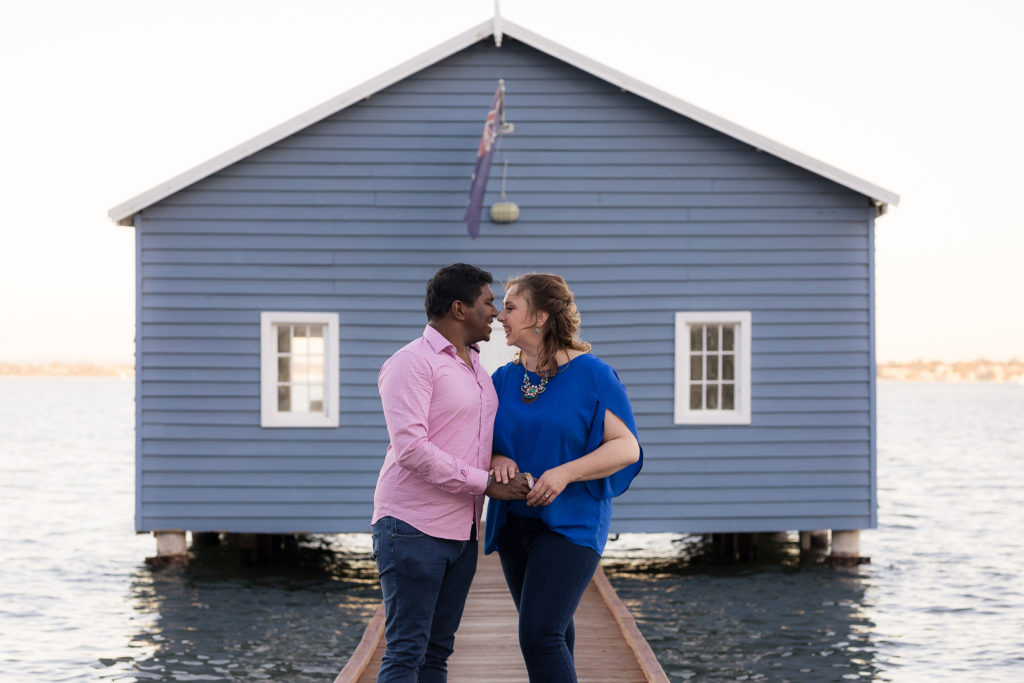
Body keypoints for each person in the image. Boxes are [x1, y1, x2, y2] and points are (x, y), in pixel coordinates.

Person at [371, 263, 532, 683]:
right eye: (488, 302)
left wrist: (496, 458)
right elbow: (411, 450)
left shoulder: (476, 368)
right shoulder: (411, 363)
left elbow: (472, 435)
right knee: (407, 650)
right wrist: (487, 485)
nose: (496, 314)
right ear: (459, 309)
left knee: (438, 651)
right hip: (412, 526)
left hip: (462, 533)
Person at [485, 273, 643, 683]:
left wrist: (563, 474)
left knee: (539, 633)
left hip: (572, 525)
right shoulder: (503, 379)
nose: (499, 316)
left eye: (509, 307)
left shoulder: (593, 375)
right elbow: (483, 439)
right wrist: (498, 454)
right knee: (554, 631)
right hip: (515, 523)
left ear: (539, 317)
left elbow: (627, 448)